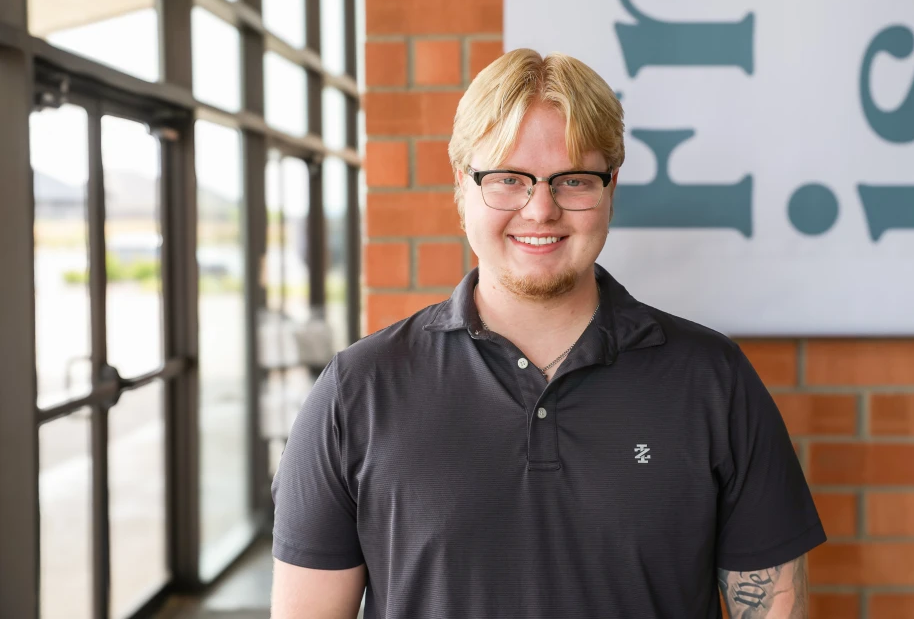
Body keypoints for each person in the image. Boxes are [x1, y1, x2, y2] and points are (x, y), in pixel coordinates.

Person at [270, 48, 826, 618]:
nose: (540, 210)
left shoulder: (713, 381)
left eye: (573, 180)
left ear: (610, 189)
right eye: (508, 179)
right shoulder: (357, 391)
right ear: (462, 187)